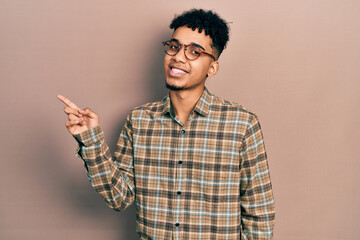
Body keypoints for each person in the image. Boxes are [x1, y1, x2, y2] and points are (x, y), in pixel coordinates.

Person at [57, 9, 275, 240]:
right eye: (174, 46)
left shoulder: (242, 124)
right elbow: (118, 198)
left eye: (194, 52)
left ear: (212, 68)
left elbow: (258, 213)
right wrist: (91, 141)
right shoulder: (138, 121)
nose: (178, 57)